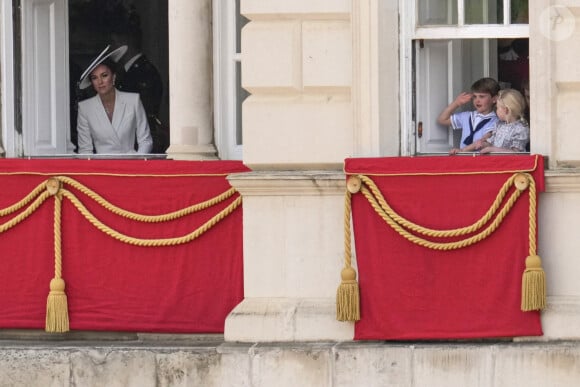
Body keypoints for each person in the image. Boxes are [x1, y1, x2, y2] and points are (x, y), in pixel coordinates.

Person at [76, 45, 153, 154]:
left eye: (104, 75)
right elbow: (85, 149)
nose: (100, 82)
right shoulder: (85, 108)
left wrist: (137, 164)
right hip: (102, 168)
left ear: (114, 77)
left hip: (130, 165)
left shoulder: (133, 101)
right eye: (94, 78)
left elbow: (145, 140)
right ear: (91, 82)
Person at [110, 23, 167, 153]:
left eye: (114, 42)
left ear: (125, 43)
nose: (112, 48)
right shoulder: (125, 72)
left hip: (138, 142)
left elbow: (145, 109)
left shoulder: (144, 72)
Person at [449, 89, 529, 154]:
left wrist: (492, 149)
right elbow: (490, 142)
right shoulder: (499, 125)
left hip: (510, 168)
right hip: (495, 165)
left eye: (497, 108)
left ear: (506, 110)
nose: (496, 110)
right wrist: (465, 150)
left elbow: (516, 153)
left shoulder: (521, 128)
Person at [438, 77, 501, 151]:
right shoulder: (467, 116)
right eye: (474, 97)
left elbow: (483, 142)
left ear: (494, 99)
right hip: (464, 158)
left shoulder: (496, 122)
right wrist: (456, 103)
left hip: (481, 160)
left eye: (481, 96)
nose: (477, 100)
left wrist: (462, 151)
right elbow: (442, 120)